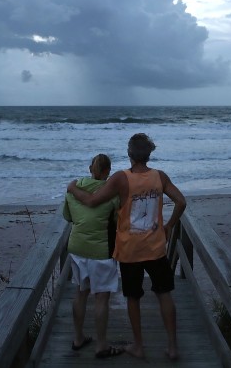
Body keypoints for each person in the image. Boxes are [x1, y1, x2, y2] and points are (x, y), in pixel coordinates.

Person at [67, 133, 187, 360]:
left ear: (129, 154)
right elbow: (181, 201)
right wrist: (169, 226)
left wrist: (72, 188)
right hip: (156, 248)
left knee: (133, 297)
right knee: (164, 294)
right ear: (149, 154)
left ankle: (138, 345)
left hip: (130, 250)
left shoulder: (121, 179)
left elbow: (93, 201)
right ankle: (172, 347)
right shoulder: (159, 177)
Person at [62, 153, 125, 359]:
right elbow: (117, 221)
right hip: (102, 251)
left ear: (91, 169)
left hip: (78, 248)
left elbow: (67, 216)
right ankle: (101, 345)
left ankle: (78, 338)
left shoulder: (73, 191)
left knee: (81, 292)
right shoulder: (112, 195)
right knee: (101, 298)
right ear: (107, 171)